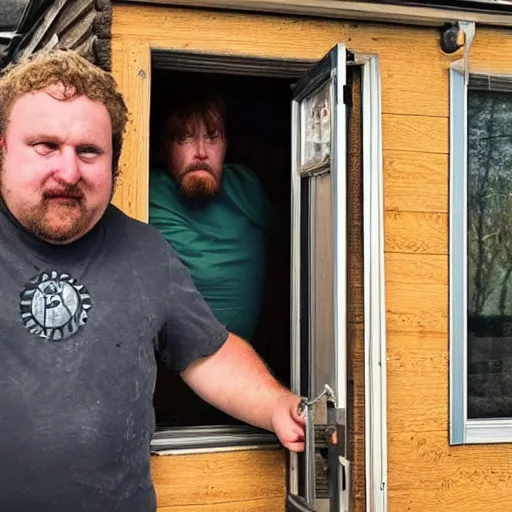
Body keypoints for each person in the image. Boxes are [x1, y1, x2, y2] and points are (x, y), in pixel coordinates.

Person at [0, 49, 304, 511]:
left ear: (115, 166)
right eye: (45, 146)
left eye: (88, 151)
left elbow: (209, 353)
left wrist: (278, 406)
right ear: (3, 149)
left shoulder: (146, 251)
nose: (68, 171)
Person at [149, 91, 270, 342]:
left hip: (247, 363)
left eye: (212, 137)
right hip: (169, 369)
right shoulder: (144, 191)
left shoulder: (246, 188)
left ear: (226, 148)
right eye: (185, 138)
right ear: (165, 149)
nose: (201, 152)